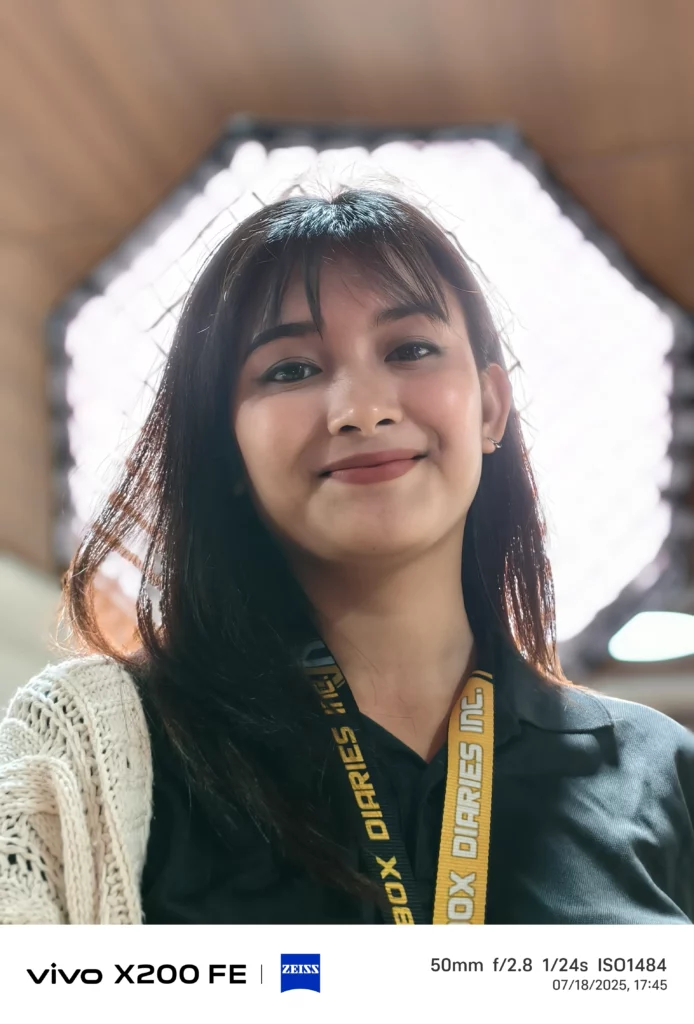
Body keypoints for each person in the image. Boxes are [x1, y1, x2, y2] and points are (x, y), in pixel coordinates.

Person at [1, 183, 693, 926]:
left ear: (491, 407)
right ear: (226, 447)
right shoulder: (91, 753)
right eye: (291, 369)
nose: (364, 409)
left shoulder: (661, 771)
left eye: (411, 349)